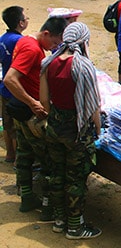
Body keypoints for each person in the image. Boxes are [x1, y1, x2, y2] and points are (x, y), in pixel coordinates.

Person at [39, 22, 102, 239]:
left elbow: (44, 102)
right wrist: (98, 128)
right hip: (77, 131)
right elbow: (93, 105)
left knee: (57, 174)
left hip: (55, 127)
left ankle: (58, 220)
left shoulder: (48, 63)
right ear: (84, 40)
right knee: (76, 179)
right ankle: (75, 226)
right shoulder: (83, 66)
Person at [4, 16, 67, 217]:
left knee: (24, 154)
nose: (53, 48)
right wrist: (33, 103)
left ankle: (27, 197)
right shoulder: (32, 49)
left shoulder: (25, 41)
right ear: (46, 33)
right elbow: (10, 79)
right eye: (55, 43)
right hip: (29, 113)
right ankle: (48, 207)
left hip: (20, 110)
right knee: (47, 158)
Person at [0, 6, 28, 163]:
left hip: (4, 88)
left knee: (7, 123)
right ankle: (19, 157)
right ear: (21, 23)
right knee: (18, 127)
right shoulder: (20, 41)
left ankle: (10, 154)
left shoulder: (3, 39)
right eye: (26, 18)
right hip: (17, 90)